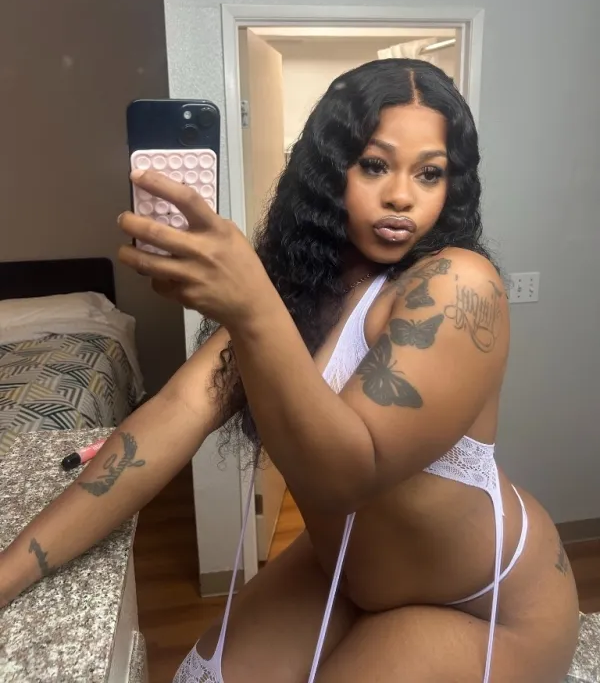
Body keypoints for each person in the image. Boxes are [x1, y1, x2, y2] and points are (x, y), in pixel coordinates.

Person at [0, 59, 579, 682]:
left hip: (484, 605)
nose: (401, 196)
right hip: (342, 572)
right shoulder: (304, 289)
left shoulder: (458, 284)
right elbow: (173, 415)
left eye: (429, 172)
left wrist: (250, 302)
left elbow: (345, 476)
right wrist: (10, 572)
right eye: (375, 164)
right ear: (329, 172)